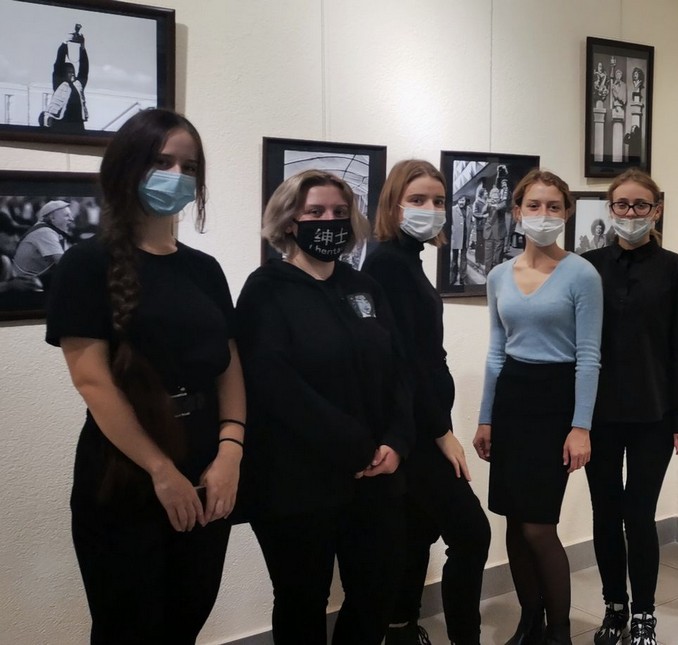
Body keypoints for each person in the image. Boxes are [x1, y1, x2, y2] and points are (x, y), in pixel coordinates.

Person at [44, 108, 245, 644]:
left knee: (187, 618)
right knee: (128, 627)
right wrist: (160, 470)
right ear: (127, 167)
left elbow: (228, 365)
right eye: (162, 162)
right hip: (125, 472)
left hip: (207, 466)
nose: (177, 176)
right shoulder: (85, 264)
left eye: (189, 166)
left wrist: (231, 450)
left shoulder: (205, 270)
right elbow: (92, 382)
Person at [235, 169, 414, 645]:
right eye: (314, 212)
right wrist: (354, 446)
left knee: (376, 590)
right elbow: (274, 384)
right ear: (289, 221)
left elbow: (398, 369)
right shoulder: (266, 289)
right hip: (297, 481)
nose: (328, 221)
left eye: (338, 211)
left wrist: (396, 440)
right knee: (302, 599)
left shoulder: (364, 287)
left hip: (376, 474)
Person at [363, 159, 490, 645]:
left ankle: (400, 629)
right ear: (393, 205)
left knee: (415, 531)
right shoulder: (389, 263)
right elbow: (405, 360)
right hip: (414, 430)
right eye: (417, 200)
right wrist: (441, 433)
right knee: (472, 534)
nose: (430, 209)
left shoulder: (407, 258)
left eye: (438, 201)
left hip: (421, 421)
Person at [474, 169, 603, 645]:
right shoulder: (498, 276)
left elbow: (588, 356)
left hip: (555, 401)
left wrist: (581, 426)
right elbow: (496, 350)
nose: (543, 214)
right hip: (512, 398)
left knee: (538, 526)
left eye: (553, 206)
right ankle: (530, 621)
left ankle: (559, 631)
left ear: (566, 213)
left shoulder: (582, 274)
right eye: (533, 205)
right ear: (517, 212)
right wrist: (486, 417)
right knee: (512, 518)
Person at [581, 169, 678, 645]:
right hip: (598, 416)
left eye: (641, 205)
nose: (631, 213)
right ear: (610, 209)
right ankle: (614, 606)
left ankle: (645, 612)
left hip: (654, 415)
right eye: (622, 205)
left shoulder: (676, 268)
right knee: (605, 514)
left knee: (639, 516)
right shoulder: (587, 266)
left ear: (657, 210)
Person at [8, 199, 74, 290]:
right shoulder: (45, 232)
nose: (72, 219)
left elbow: (68, 259)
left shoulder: (56, 232)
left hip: (35, 280)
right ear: (52, 218)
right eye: (67, 215)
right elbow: (64, 263)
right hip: (23, 284)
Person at [40, 25, 89, 131]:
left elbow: (84, 69)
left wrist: (82, 46)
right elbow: (58, 63)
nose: (72, 74)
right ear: (63, 74)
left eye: (73, 72)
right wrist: (65, 42)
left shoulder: (78, 85)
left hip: (77, 124)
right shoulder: (59, 83)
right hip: (61, 123)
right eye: (69, 72)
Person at [451, 194, 472, 286]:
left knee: (464, 258)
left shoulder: (469, 210)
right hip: (455, 237)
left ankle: (462, 278)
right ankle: (453, 277)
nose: (461, 202)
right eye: (460, 200)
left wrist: (469, 237)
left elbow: (471, 223)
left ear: (465, 201)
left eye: (463, 200)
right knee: (454, 259)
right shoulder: (453, 209)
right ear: (457, 201)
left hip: (465, 238)